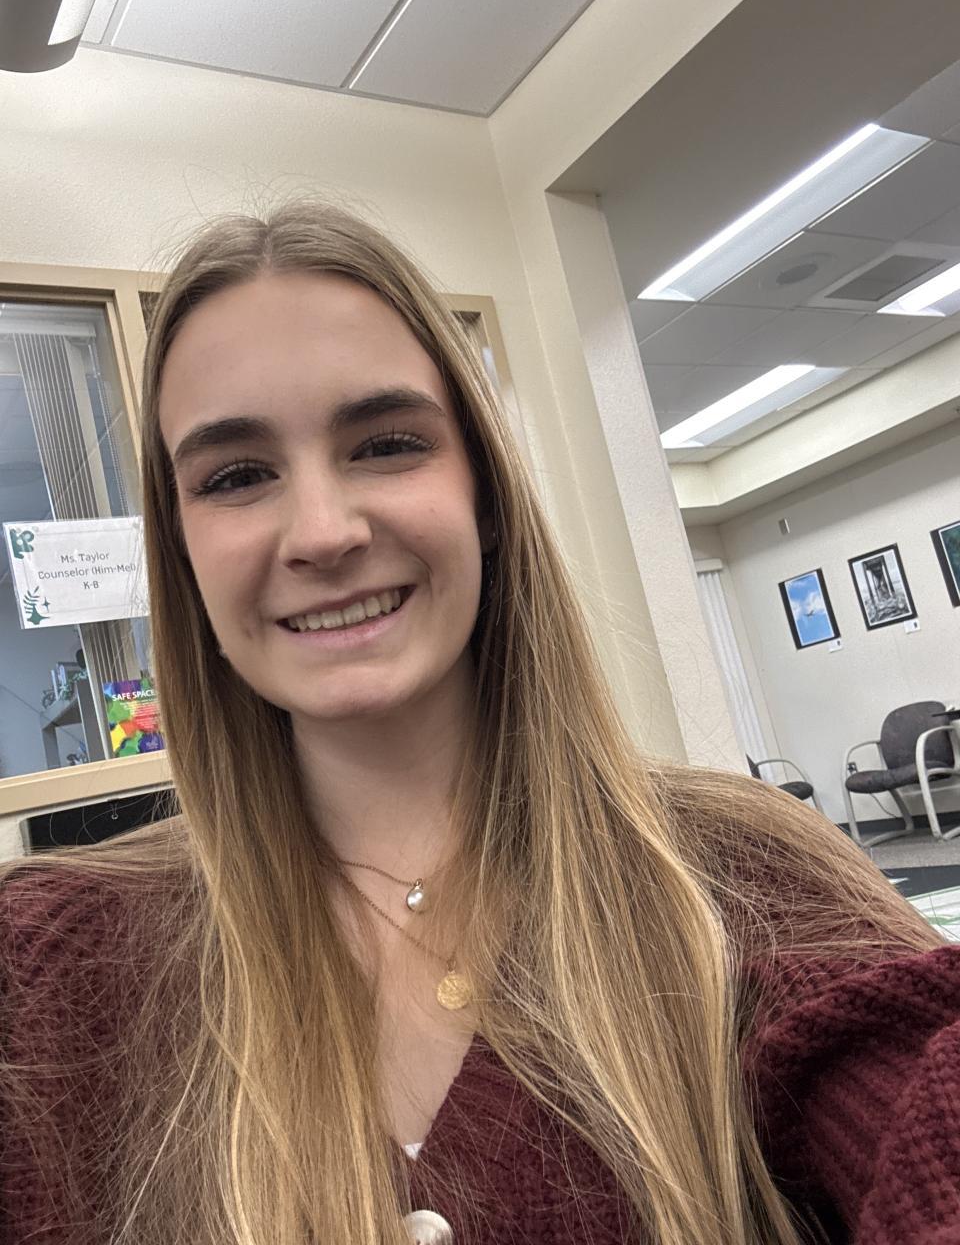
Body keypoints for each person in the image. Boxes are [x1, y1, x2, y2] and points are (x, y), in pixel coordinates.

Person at [0, 201, 957, 1245]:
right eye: (236, 476)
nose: (323, 531)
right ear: (181, 550)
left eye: (386, 444)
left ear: (485, 496)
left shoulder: (743, 872)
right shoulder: (47, 964)